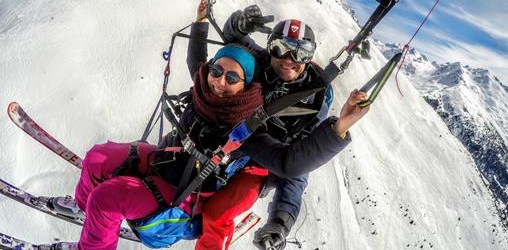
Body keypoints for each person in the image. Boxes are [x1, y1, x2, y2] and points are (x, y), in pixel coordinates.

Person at [48, 37, 369, 250]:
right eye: (217, 72)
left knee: (113, 198)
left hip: (198, 184)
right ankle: (83, 207)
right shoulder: (206, 88)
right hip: (171, 159)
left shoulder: (251, 124)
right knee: (99, 157)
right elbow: (202, 59)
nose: (220, 81)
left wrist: (339, 126)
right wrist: (204, 22)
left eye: (232, 79)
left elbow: (291, 167)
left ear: (246, 85)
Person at [191, 0, 343, 250]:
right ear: (270, 47)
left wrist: (280, 221)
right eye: (281, 48)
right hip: (227, 143)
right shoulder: (263, 61)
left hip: (261, 165)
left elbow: (297, 164)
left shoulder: (313, 102)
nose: (288, 59)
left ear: (309, 56)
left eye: (300, 52)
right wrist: (241, 22)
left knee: (216, 215)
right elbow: (234, 37)